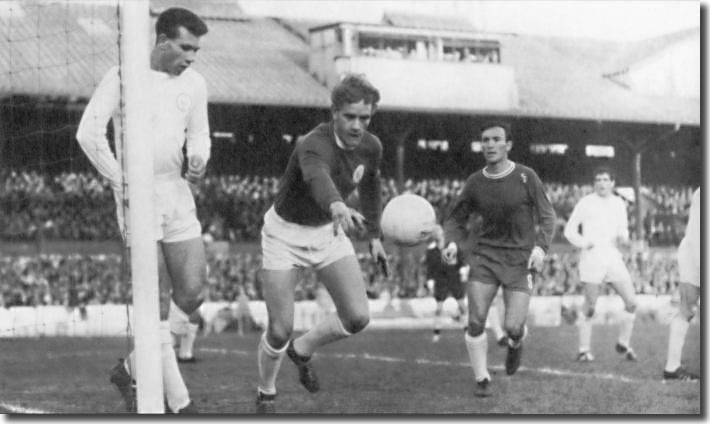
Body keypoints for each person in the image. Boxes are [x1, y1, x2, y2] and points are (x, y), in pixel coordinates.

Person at [76, 7, 210, 413]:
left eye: (196, 49)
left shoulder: (196, 83)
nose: (192, 56)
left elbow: (200, 135)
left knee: (193, 292)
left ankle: (132, 368)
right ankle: (182, 404)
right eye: (186, 47)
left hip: (176, 192)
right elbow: (88, 133)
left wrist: (200, 158)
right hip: (138, 197)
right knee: (151, 302)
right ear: (162, 40)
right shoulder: (122, 76)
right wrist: (122, 181)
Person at [254, 74, 389, 413]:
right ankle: (266, 391)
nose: (358, 125)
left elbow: (371, 187)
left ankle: (302, 350)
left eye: (365, 118)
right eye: (350, 116)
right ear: (334, 112)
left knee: (358, 317)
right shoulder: (313, 143)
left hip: (327, 232)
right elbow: (318, 178)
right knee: (280, 327)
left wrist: (374, 236)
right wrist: (337, 204)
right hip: (284, 234)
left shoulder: (371, 147)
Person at [442, 121, 556, 397]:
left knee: (513, 326)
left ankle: (516, 344)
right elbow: (455, 219)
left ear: (508, 145)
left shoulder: (527, 177)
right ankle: (481, 378)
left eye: (496, 139)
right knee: (476, 321)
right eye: (485, 140)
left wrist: (540, 248)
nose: (490, 145)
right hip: (485, 257)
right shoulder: (475, 182)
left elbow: (548, 217)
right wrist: (452, 243)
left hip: (520, 261)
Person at [563, 166, 638, 363]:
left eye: (605, 179)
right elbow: (569, 231)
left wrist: (625, 240)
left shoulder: (619, 204)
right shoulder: (585, 203)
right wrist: (584, 243)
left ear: (613, 183)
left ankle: (623, 343)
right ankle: (583, 350)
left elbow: (623, 232)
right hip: (592, 259)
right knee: (590, 307)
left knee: (631, 302)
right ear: (594, 183)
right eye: (598, 179)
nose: (602, 183)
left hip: (613, 258)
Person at [663, 187, 700, 381]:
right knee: (687, 309)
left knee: (686, 310)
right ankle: (671, 368)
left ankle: (671, 367)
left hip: (692, 250)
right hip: (697, 251)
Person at [425, 225, 467, 342]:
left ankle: (467, 331)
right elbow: (430, 268)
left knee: (462, 306)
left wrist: (463, 268)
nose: (436, 234)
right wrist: (430, 280)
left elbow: (461, 259)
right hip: (441, 280)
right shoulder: (431, 250)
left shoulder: (451, 246)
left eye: (438, 231)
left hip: (454, 277)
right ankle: (436, 333)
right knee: (439, 308)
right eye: (434, 232)